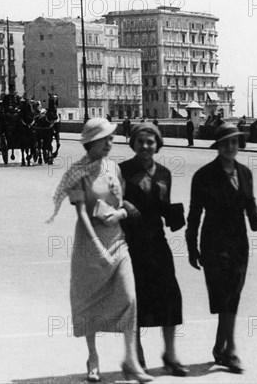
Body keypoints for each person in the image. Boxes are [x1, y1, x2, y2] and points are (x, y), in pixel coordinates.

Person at [47, 118, 152, 383]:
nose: (110, 143)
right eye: (106, 139)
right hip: (89, 246)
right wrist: (95, 245)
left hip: (117, 241)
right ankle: (93, 358)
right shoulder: (77, 172)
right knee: (89, 301)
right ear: (92, 142)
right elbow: (82, 213)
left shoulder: (114, 168)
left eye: (111, 138)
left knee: (130, 298)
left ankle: (131, 359)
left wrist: (119, 212)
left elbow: (120, 202)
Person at [186, 123, 257, 374]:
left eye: (234, 142)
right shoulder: (204, 175)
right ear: (217, 146)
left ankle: (222, 348)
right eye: (225, 143)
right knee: (225, 296)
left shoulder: (244, 172)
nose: (230, 147)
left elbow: (249, 200)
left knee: (233, 295)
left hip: (239, 242)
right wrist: (191, 246)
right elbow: (195, 214)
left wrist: (255, 216)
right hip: (213, 243)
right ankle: (228, 351)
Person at [119, 123, 188, 377]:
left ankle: (170, 355)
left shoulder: (165, 173)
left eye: (151, 141)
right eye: (141, 141)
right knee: (134, 299)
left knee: (170, 297)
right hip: (130, 242)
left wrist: (175, 216)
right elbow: (109, 199)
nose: (146, 146)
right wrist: (124, 201)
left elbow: (163, 206)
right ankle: (135, 356)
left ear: (158, 144)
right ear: (133, 144)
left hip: (157, 242)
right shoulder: (122, 170)